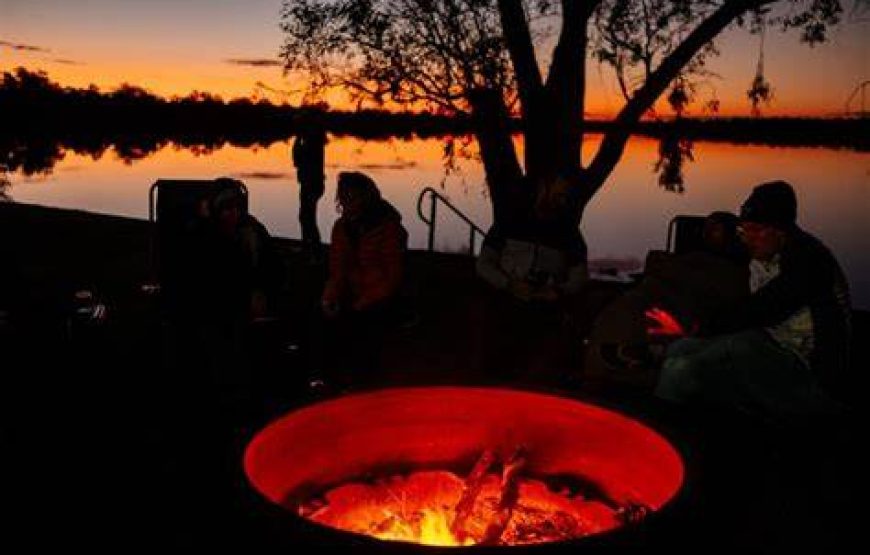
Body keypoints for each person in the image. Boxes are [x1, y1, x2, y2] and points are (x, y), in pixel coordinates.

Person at [653, 180, 851, 421]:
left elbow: (761, 310)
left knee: (728, 348)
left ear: (781, 231)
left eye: (755, 231)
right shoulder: (763, 247)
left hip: (812, 377)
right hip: (769, 353)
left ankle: (664, 425)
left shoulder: (810, 260)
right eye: (744, 230)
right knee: (681, 354)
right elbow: (723, 244)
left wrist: (695, 328)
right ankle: (658, 362)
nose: (747, 238)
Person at [472, 176, 589, 383]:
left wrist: (558, 291)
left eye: (565, 197)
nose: (562, 202)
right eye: (558, 196)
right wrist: (509, 284)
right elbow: (483, 264)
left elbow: (579, 276)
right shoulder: (507, 222)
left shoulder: (570, 233)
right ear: (542, 189)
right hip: (505, 299)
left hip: (546, 305)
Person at [316, 171, 408, 387]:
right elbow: (337, 270)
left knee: (365, 327)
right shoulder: (341, 228)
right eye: (343, 197)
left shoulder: (387, 228)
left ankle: (363, 386)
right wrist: (329, 297)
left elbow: (392, 277)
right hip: (353, 292)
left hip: (381, 296)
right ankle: (325, 380)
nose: (346, 202)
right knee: (323, 318)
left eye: (351, 196)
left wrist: (364, 301)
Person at [292, 117, 327, 260]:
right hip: (311, 184)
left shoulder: (312, 143)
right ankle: (310, 247)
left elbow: (296, 159)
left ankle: (312, 250)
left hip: (311, 185)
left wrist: (297, 140)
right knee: (306, 217)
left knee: (307, 217)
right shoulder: (313, 141)